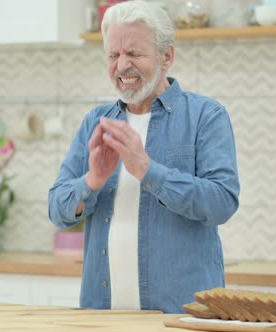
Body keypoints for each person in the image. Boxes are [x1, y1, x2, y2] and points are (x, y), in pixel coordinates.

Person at [48, 0, 240, 314]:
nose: (122, 66)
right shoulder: (95, 122)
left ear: (167, 57)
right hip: (104, 315)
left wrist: (149, 170)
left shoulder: (206, 116)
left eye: (134, 54)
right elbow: (57, 210)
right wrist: (92, 180)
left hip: (183, 316)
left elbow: (222, 202)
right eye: (114, 55)